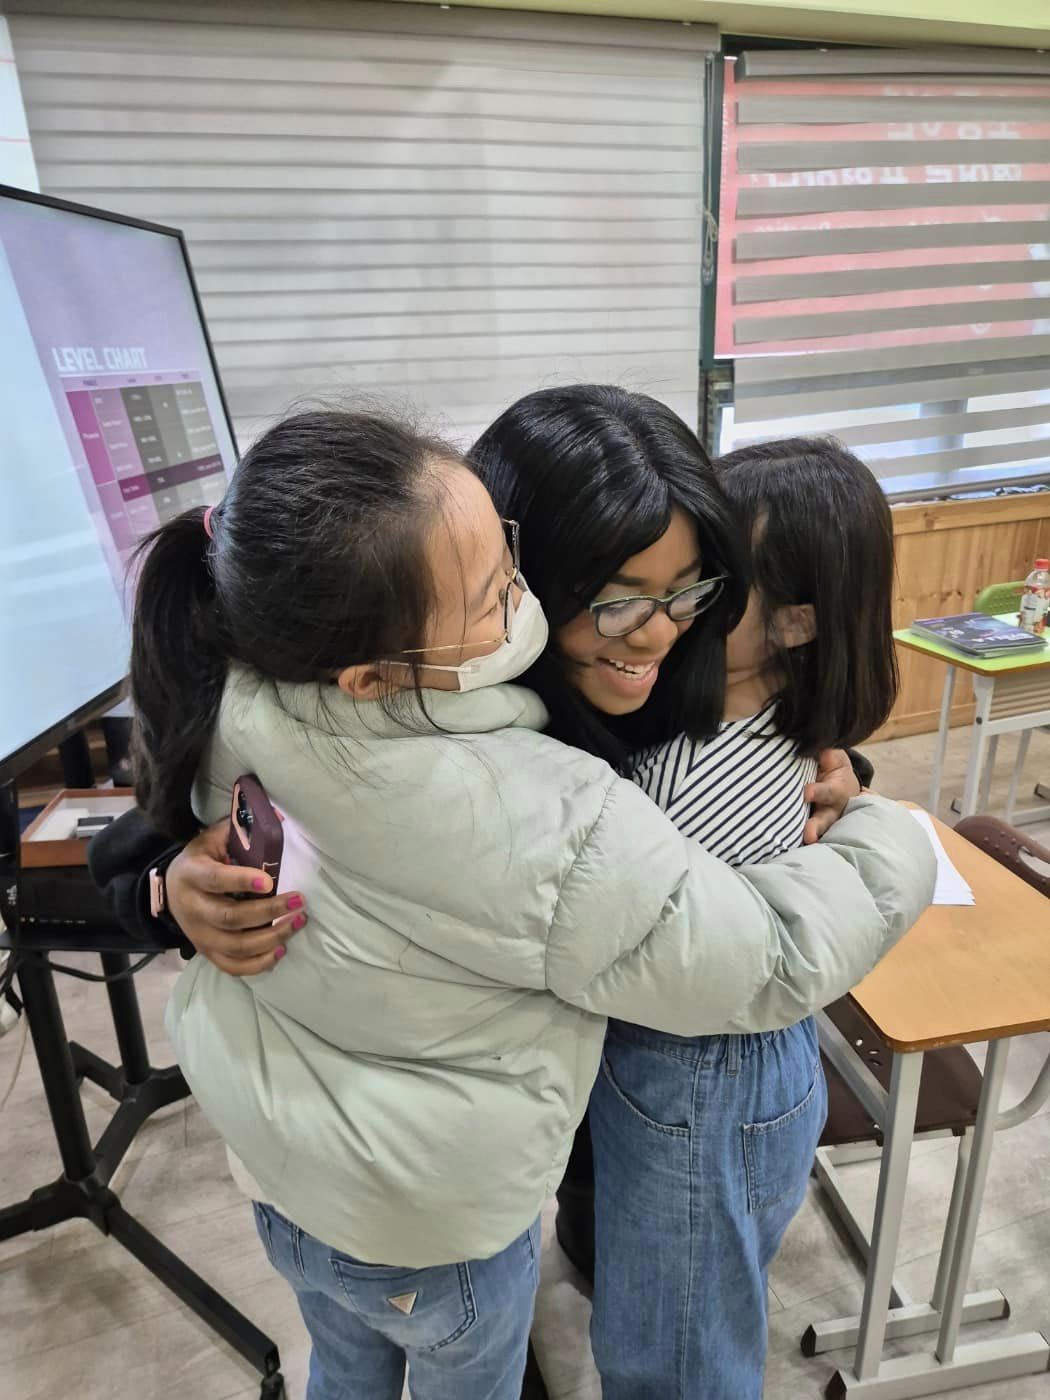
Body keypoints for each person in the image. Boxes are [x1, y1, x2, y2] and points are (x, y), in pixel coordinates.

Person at [93, 391, 931, 1399]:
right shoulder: (450, 722)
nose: (657, 632)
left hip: (664, 1056)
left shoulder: (652, 676)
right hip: (518, 1101)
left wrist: (857, 789)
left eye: (695, 590)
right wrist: (171, 886)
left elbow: (773, 787)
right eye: (616, 598)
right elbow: (140, 839)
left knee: (660, 1334)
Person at [588, 436, 900, 1399]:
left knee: (677, 1353)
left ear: (796, 624)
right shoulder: (765, 725)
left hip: (701, 1072)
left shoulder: (697, 764)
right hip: (736, 1059)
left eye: (707, 589)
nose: (671, 614)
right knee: (698, 1300)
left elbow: (606, 915)